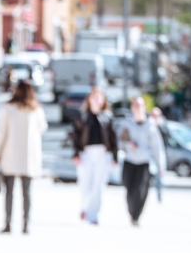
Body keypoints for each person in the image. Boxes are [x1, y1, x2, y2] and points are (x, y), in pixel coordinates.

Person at [0, 79, 47, 234]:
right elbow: (43, 127)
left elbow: (1, 132)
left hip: (10, 154)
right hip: (28, 157)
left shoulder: (8, 108)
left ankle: (8, 223)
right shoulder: (36, 109)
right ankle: (26, 224)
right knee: (27, 191)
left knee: (8, 191)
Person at [71, 87, 117, 225]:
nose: (97, 99)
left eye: (100, 97)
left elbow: (113, 138)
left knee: (98, 184)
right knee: (85, 184)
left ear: (103, 100)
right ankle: (84, 207)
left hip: (102, 153)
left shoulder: (107, 117)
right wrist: (75, 153)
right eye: (94, 96)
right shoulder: (83, 116)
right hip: (86, 153)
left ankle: (93, 215)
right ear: (89, 99)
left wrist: (114, 156)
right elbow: (75, 136)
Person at [118, 97, 164, 226]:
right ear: (132, 107)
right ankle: (131, 212)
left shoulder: (150, 124)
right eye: (135, 105)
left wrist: (161, 165)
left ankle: (136, 216)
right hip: (129, 160)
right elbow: (120, 140)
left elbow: (157, 146)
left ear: (144, 107)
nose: (138, 108)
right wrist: (128, 145)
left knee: (141, 190)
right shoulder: (126, 122)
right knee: (129, 188)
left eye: (140, 105)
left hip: (144, 162)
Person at [150, 107, 167, 202]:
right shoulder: (147, 124)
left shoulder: (162, 124)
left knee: (160, 174)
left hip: (160, 153)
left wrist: (160, 126)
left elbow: (167, 137)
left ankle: (159, 194)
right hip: (149, 153)